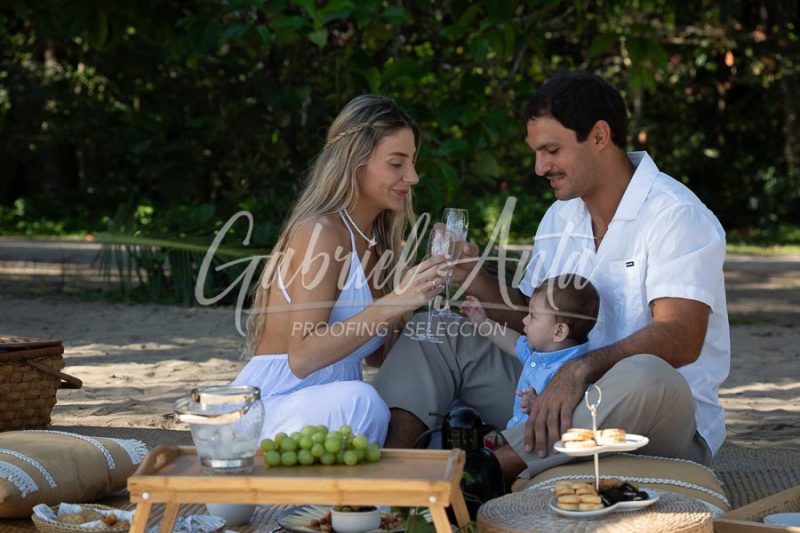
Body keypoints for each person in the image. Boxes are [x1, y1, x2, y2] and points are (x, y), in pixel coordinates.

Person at [372, 71, 730, 487]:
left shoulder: (675, 215)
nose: (540, 166)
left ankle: (483, 476)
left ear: (599, 136)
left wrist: (577, 371)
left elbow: (682, 336)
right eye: (536, 152)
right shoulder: (561, 215)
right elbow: (532, 320)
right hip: (554, 399)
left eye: (552, 150)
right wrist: (472, 276)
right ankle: (389, 481)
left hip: (651, 415)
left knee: (648, 374)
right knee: (433, 328)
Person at [234, 95, 449, 445]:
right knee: (364, 402)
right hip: (273, 408)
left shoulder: (378, 244)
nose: (413, 177)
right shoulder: (321, 233)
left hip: (328, 413)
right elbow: (302, 358)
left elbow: (379, 355)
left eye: (412, 162)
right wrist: (397, 300)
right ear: (355, 162)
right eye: (397, 163)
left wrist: (424, 310)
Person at [460, 274, 600, 431]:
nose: (524, 321)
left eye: (532, 316)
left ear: (559, 331)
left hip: (536, 445)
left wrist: (538, 404)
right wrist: (482, 322)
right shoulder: (540, 352)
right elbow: (513, 343)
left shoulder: (571, 375)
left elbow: (572, 418)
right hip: (514, 433)